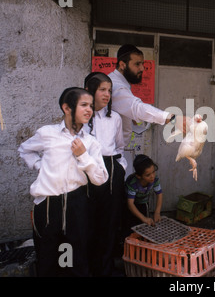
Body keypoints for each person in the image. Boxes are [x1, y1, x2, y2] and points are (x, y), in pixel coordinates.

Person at [18, 87, 108, 277]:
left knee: (75, 256)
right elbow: (25, 149)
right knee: (48, 256)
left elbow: (100, 179)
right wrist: (39, 165)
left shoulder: (91, 143)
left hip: (77, 204)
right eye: (84, 105)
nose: (89, 110)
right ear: (67, 108)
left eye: (91, 106)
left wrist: (83, 156)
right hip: (48, 205)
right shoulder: (47, 133)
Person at [84, 72, 126, 277]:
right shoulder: (81, 117)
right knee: (88, 221)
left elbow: (120, 146)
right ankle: (89, 268)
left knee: (110, 222)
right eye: (102, 89)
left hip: (111, 170)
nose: (107, 94)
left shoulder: (115, 117)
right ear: (89, 91)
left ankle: (106, 268)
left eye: (109, 90)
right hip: (86, 171)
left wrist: (121, 168)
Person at [108, 44, 175, 146]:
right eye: (137, 64)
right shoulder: (116, 85)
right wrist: (169, 117)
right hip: (111, 153)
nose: (142, 68)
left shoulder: (121, 83)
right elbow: (136, 107)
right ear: (122, 65)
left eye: (142, 64)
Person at [125, 154, 163, 230]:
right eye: (148, 175)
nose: (152, 176)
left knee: (144, 226)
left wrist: (157, 212)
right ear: (139, 176)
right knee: (130, 226)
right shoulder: (132, 183)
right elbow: (130, 204)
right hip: (130, 204)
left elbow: (159, 194)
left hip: (143, 203)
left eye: (153, 172)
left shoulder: (155, 179)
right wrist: (144, 218)